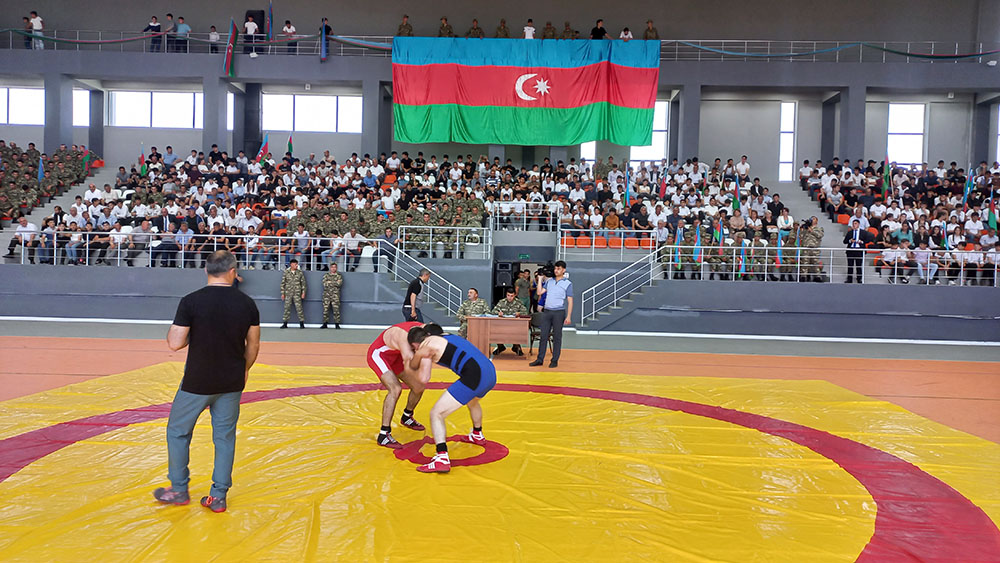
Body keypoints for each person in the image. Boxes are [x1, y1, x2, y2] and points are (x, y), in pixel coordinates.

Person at [153, 250, 260, 513]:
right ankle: (218, 495)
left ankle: (179, 489)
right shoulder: (247, 304)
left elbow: (175, 343)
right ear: (233, 272)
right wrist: (244, 370)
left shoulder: (191, 302)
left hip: (197, 381)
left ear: (206, 271)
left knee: (178, 432)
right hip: (231, 381)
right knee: (224, 438)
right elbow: (253, 345)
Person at [407, 325, 497, 473]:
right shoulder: (448, 336)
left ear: (415, 344)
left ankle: (442, 458)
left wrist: (416, 354)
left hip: (475, 375)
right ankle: (477, 434)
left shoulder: (426, 345)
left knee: (436, 413)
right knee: (472, 401)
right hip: (490, 372)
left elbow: (415, 366)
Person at [368, 321, 436, 448]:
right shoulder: (404, 338)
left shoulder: (422, 330)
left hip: (396, 356)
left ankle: (406, 416)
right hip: (380, 355)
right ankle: (384, 434)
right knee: (395, 389)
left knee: (419, 387)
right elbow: (410, 364)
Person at [529, 261, 573, 368]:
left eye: (559, 269)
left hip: (559, 312)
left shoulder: (567, 283)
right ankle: (540, 359)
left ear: (563, 270)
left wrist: (568, 316)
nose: (556, 270)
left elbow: (570, 301)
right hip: (547, 311)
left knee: (557, 337)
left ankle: (554, 360)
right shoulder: (549, 282)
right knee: (543, 336)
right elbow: (539, 292)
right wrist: (540, 279)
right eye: (555, 268)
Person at [492, 286, 528, 356]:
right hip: (502, 324)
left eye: (511, 296)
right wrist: (498, 313)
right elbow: (493, 311)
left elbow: (525, 312)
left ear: (514, 295)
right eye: (508, 295)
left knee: (518, 331)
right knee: (495, 330)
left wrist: (519, 313)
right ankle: (500, 346)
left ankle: (516, 346)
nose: (509, 297)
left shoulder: (518, 302)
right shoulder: (502, 302)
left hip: (515, 325)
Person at [843, 219, 872, 283]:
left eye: (855, 224)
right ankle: (849, 279)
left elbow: (869, 239)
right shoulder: (850, 232)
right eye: (853, 224)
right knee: (850, 265)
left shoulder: (863, 232)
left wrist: (862, 242)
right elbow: (845, 241)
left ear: (858, 224)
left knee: (859, 265)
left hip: (859, 251)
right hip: (851, 251)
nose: (854, 225)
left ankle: (859, 279)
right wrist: (850, 241)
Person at [280, 258, 307, 328]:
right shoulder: (286, 272)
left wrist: (303, 293)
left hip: (297, 293)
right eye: (295, 264)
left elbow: (303, 284)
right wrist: (282, 293)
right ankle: (285, 323)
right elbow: (283, 283)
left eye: (297, 264)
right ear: (291, 264)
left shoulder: (300, 272)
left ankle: (301, 323)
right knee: (287, 308)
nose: (296, 265)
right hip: (288, 293)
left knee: (299, 308)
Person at [320, 262, 343, 329]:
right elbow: (324, 284)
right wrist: (334, 282)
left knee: (336, 310)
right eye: (332, 267)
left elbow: (339, 284)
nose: (333, 268)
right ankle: (325, 323)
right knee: (325, 310)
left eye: (335, 267)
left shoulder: (339, 276)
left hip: (335, 295)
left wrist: (329, 282)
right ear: (330, 268)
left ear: (336, 268)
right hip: (326, 295)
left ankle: (337, 324)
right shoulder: (326, 275)